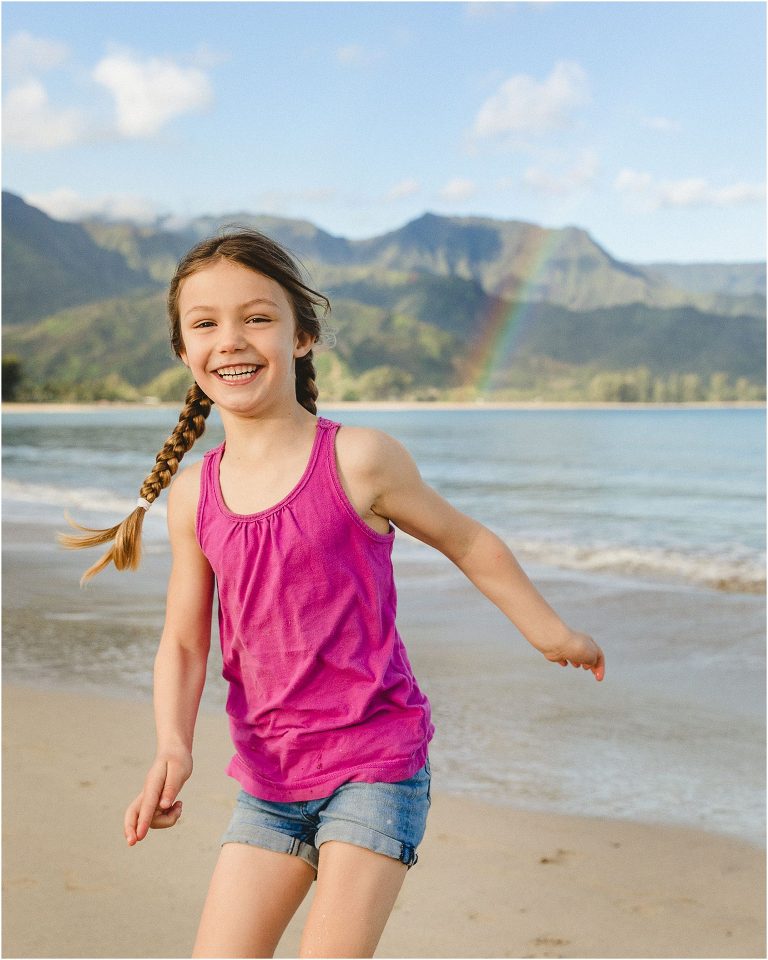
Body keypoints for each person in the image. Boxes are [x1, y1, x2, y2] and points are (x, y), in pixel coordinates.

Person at [61, 229, 605, 959]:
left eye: (257, 317)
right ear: (184, 352)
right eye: (205, 323)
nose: (232, 339)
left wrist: (550, 632)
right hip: (268, 782)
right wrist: (174, 747)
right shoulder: (194, 497)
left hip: (376, 763)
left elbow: (468, 541)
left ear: (302, 335)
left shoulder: (359, 458)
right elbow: (186, 641)